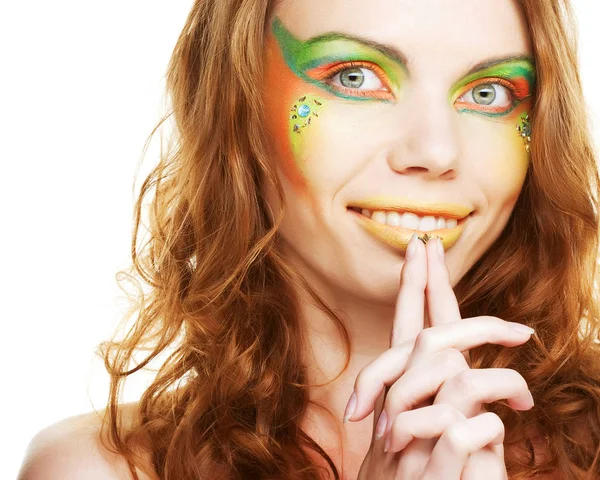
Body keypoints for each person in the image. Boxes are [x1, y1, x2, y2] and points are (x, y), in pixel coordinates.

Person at [17, 0, 600, 478]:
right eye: (354, 77)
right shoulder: (98, 470)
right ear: (233, 108)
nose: (436, 152)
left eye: (490, 92)